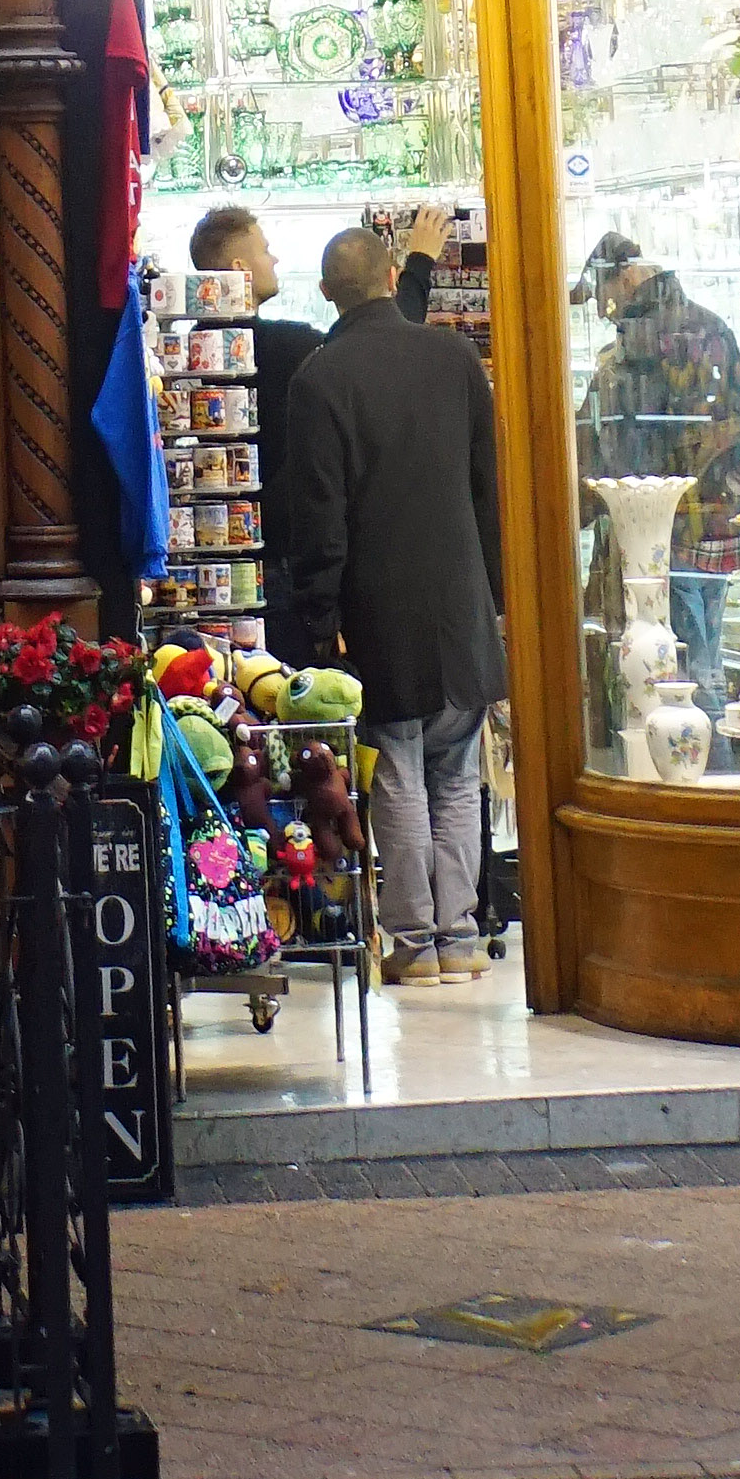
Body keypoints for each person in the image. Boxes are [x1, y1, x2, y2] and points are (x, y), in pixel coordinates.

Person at [282, 221, 508, 991]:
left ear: (326, 293)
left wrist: (320, 625)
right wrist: (495, 597)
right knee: (458, 774)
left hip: (378, 610)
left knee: (400, 772)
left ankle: (413, 944)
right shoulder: (454, 358)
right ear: (390, 277)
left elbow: (320, 519)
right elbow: (486, 489)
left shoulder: (319, 379)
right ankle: (461, 937)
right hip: (462, 603)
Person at [576, 233, 740, 716]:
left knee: (681, 676)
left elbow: (632, 441)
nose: (602, 310)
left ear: (625, 277)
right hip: (716, 520)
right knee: (703, 664)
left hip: (668, 527)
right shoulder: (706, 325)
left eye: (600, 293)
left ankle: (702, 759)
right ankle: (709, 753)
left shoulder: (646, 339)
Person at [188, 205, 318, 641]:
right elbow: (367, 348)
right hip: (276, 559)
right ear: (240, 268)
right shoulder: (293, 347)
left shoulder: (186, 352)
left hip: (207, 555)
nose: (274, 259)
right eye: (265, 249)